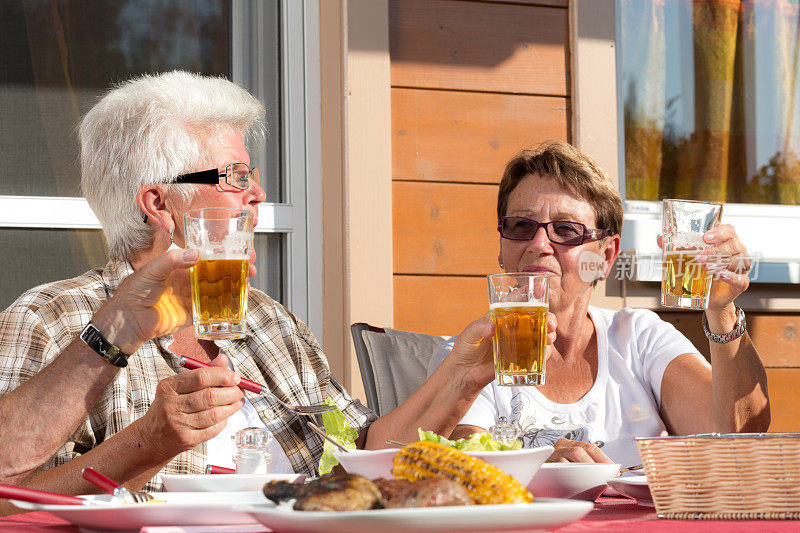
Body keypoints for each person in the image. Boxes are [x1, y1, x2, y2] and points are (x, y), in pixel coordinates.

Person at [0, 71, 530, 512]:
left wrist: (462, 376)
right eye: (233, 177)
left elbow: (362, 451)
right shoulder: (54, 319)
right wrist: (146, 444)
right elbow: (12, 500)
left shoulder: (268, 321)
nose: (258, 194)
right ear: (160, 205)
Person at [427, 141, 770, 466]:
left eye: (565, 229)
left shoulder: (637, 337)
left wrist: (721, 310)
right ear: (502, 249)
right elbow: (462, 455)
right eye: (521, 226)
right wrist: (543, 465)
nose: (540, 244)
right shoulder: (471, 356)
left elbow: (738, 433)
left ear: (605, 258)